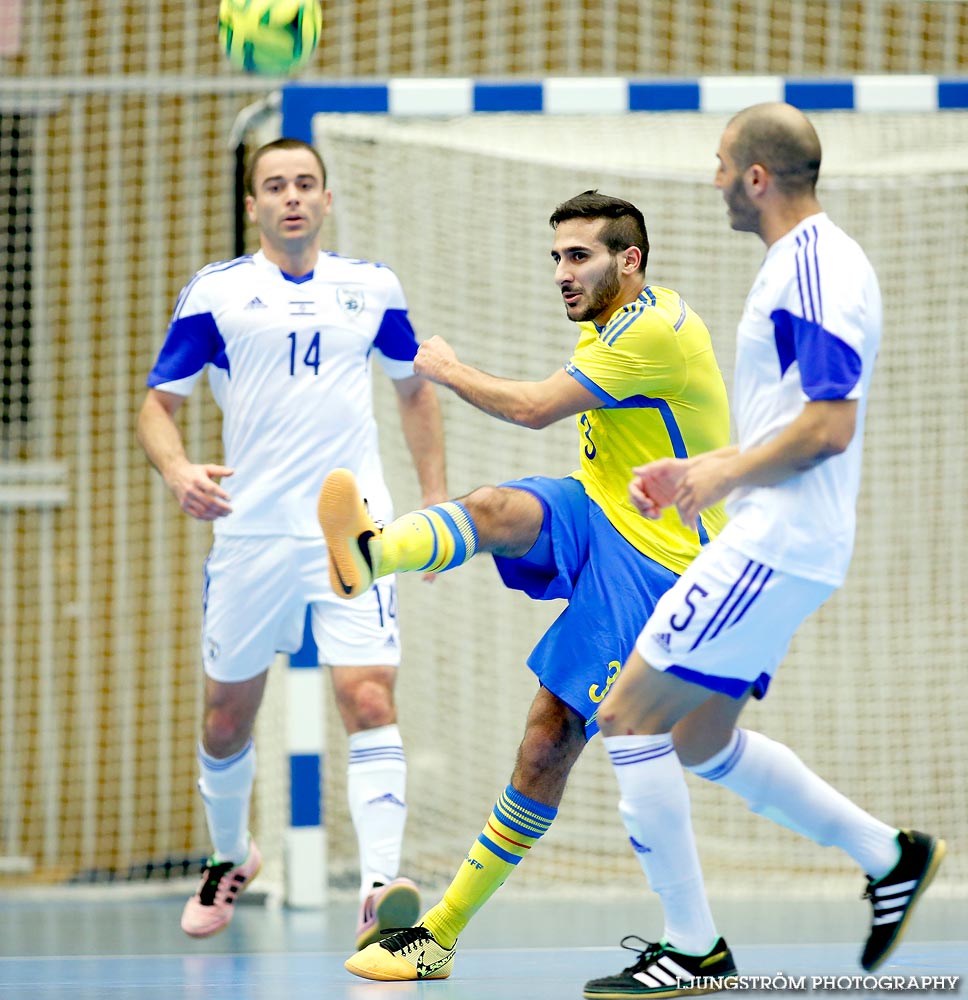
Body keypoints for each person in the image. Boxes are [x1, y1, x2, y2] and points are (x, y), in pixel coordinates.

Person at [320, 190, 733, 981]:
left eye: (578, 256)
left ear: (630, 261)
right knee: (494, 508)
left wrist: (441, 368)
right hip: (604, 514)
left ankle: (439, 933)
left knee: (547, 744)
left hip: (658, 567)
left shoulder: (649, 332)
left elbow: (537, 408)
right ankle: (370, 556)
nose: (561, 273)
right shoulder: (616, 319)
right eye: (556, 257)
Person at [583, 103, 946, 999]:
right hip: (777, 533)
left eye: (719, 165)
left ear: (755, 177)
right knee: (703, 739)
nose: (711, 181)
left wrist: (720, 482)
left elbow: (828, 426)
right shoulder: (794, 265)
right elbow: (790, 420)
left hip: (780, 541)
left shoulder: (819, 269)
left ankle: (693, 948)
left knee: (627, 718)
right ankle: (890, 855)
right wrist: (699, 470)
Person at [136, 137, 447, 947]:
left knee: (369, 697)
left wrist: (438, 506)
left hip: (352, 528)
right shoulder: (217, 294)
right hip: (251, 533)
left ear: (327, 198)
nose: (293, 198)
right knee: (226, 720)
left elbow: (415, 392)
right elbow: (156, 408)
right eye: (275, 186)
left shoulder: (372, 288)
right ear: (253, 206)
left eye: (306, 183)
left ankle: (381, 893)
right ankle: (231, 855)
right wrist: (177, 473)